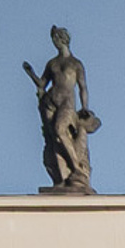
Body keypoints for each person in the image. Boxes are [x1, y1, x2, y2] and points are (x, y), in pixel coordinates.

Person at [27, 27, 96, 194]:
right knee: (53, 139)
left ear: (63, 39)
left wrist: (85, 107)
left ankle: (76, 168)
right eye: (53, 39)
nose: (55, 42)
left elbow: (83, 87)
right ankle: (62, 177)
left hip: (67, 102)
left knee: (60, 131)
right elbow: (43, 83)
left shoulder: (76, 63)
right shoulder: (52, 63)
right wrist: (30, 73)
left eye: (56, 38)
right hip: (50, 101)